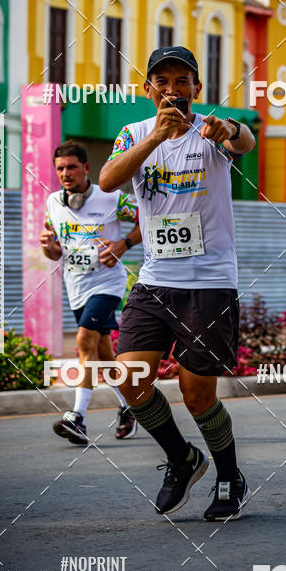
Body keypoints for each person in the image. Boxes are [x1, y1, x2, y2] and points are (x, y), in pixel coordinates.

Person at [99, 46, 256, 521]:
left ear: (197, 89)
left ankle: (229, 477)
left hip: (208, 282)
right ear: (148, 90)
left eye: (182, 81)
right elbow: (108, 180)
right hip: (155, 280)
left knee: (197, 394)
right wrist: (156, 139)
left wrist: (228, 128)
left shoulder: (213, 129)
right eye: (161, 81)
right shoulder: (134, 134)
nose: (172, 89)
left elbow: (244, 140)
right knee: (128, 377)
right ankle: (181, 458)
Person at [41, 140, 141, 444]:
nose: (65, 173)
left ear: (86, 168)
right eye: (60, 168)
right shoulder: (53, 204)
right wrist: (50, 248)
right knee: (102, 354)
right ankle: (129, 408)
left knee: (84, 340)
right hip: (77, 287)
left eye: (72, 166)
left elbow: (148, 222)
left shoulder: (112, 198)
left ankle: (77, 418)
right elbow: (55, 252)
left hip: (108, 284)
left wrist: (123, 245)